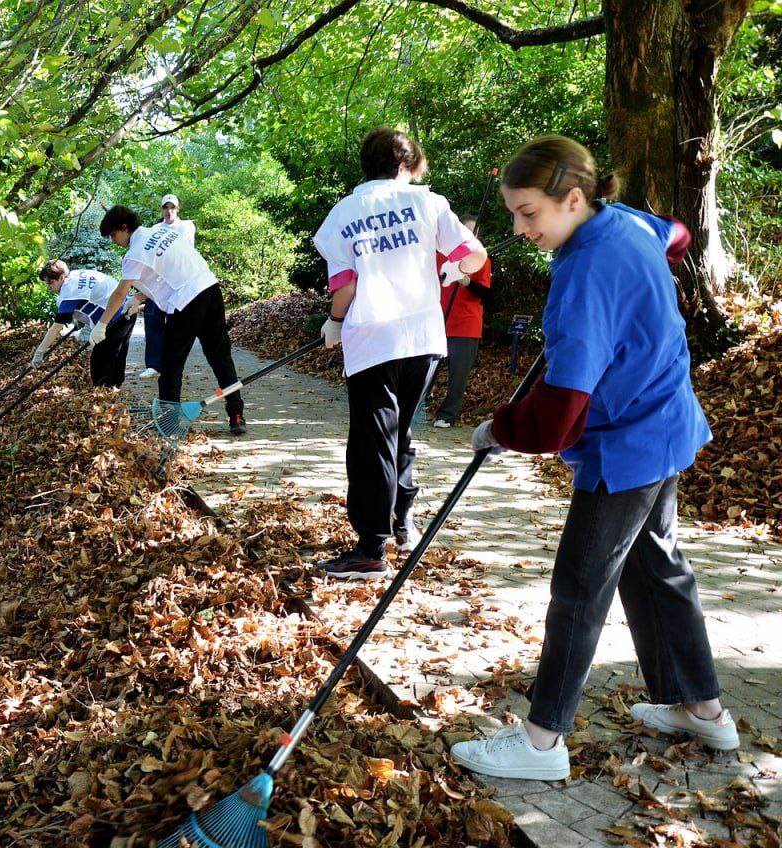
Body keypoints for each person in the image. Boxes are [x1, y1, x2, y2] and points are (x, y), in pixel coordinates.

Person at [451, 135, 737, 782]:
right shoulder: (625, 219)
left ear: (573, 198)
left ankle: (542, 740)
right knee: (655, 564)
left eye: (530, 213)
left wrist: (498, 431)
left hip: (629, 443)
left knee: (580, 588)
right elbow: (680, 235)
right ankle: (705, 710)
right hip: (666, 421)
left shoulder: (583, 275)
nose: (521, 228)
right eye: (515, 214)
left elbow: (557, 418)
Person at [312, 126, 487, 581]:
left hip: (372, 340)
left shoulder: (344, 213)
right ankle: (401, 520)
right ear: (407, 165)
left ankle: (371, 550)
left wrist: (334, 322)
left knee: (372, 444)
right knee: (400, 432)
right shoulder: (430, 203)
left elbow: (345, 285)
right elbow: (474, 256)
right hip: (424, 339)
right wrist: (451, 268)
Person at [96, 204, 247, 435]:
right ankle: (236, 414)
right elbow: (167, 272)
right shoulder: (162, 232)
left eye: (113, 235)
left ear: (124, 228)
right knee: (220, 357)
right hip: (210, 288)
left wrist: (102, 325)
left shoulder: (134, 253)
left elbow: (118, 293)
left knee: (171, 364)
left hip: (187, 301)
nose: (113, 241)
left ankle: (169, 425)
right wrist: (137, 297)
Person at [30, 260, 138, 388]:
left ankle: (104, 393)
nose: (49, 287)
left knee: (100, 359)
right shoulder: (74, 275)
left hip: (117, 316)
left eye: (50, 283)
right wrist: (81, 319)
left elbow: (56, 328)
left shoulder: (69, 292)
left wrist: (40, 351)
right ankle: (114, 389)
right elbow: (88, 298)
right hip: (128, 308)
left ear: (61, 277)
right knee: (116, 355)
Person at [433, 214, 493, 428]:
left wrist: (466, 280)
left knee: (457, 375)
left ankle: (446, 415)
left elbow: (486, 294)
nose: (470, 236)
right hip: (437, 322)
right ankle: (413, 409)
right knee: (425, 370)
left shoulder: (481, 260)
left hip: (466, 325)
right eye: (465, 231)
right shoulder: (440, 255)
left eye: (473, 233)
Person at [137, 194, 196, 379]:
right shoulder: (154, 229)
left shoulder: (186, 226)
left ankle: (172, 365)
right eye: (166, 207)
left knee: (175, 325)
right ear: (161, 209)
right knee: (152, 320)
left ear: (178, 209)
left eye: (173, 207)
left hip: (178, 282)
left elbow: (180, 251)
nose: (169, 211)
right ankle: (153, 365)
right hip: (157, 281)